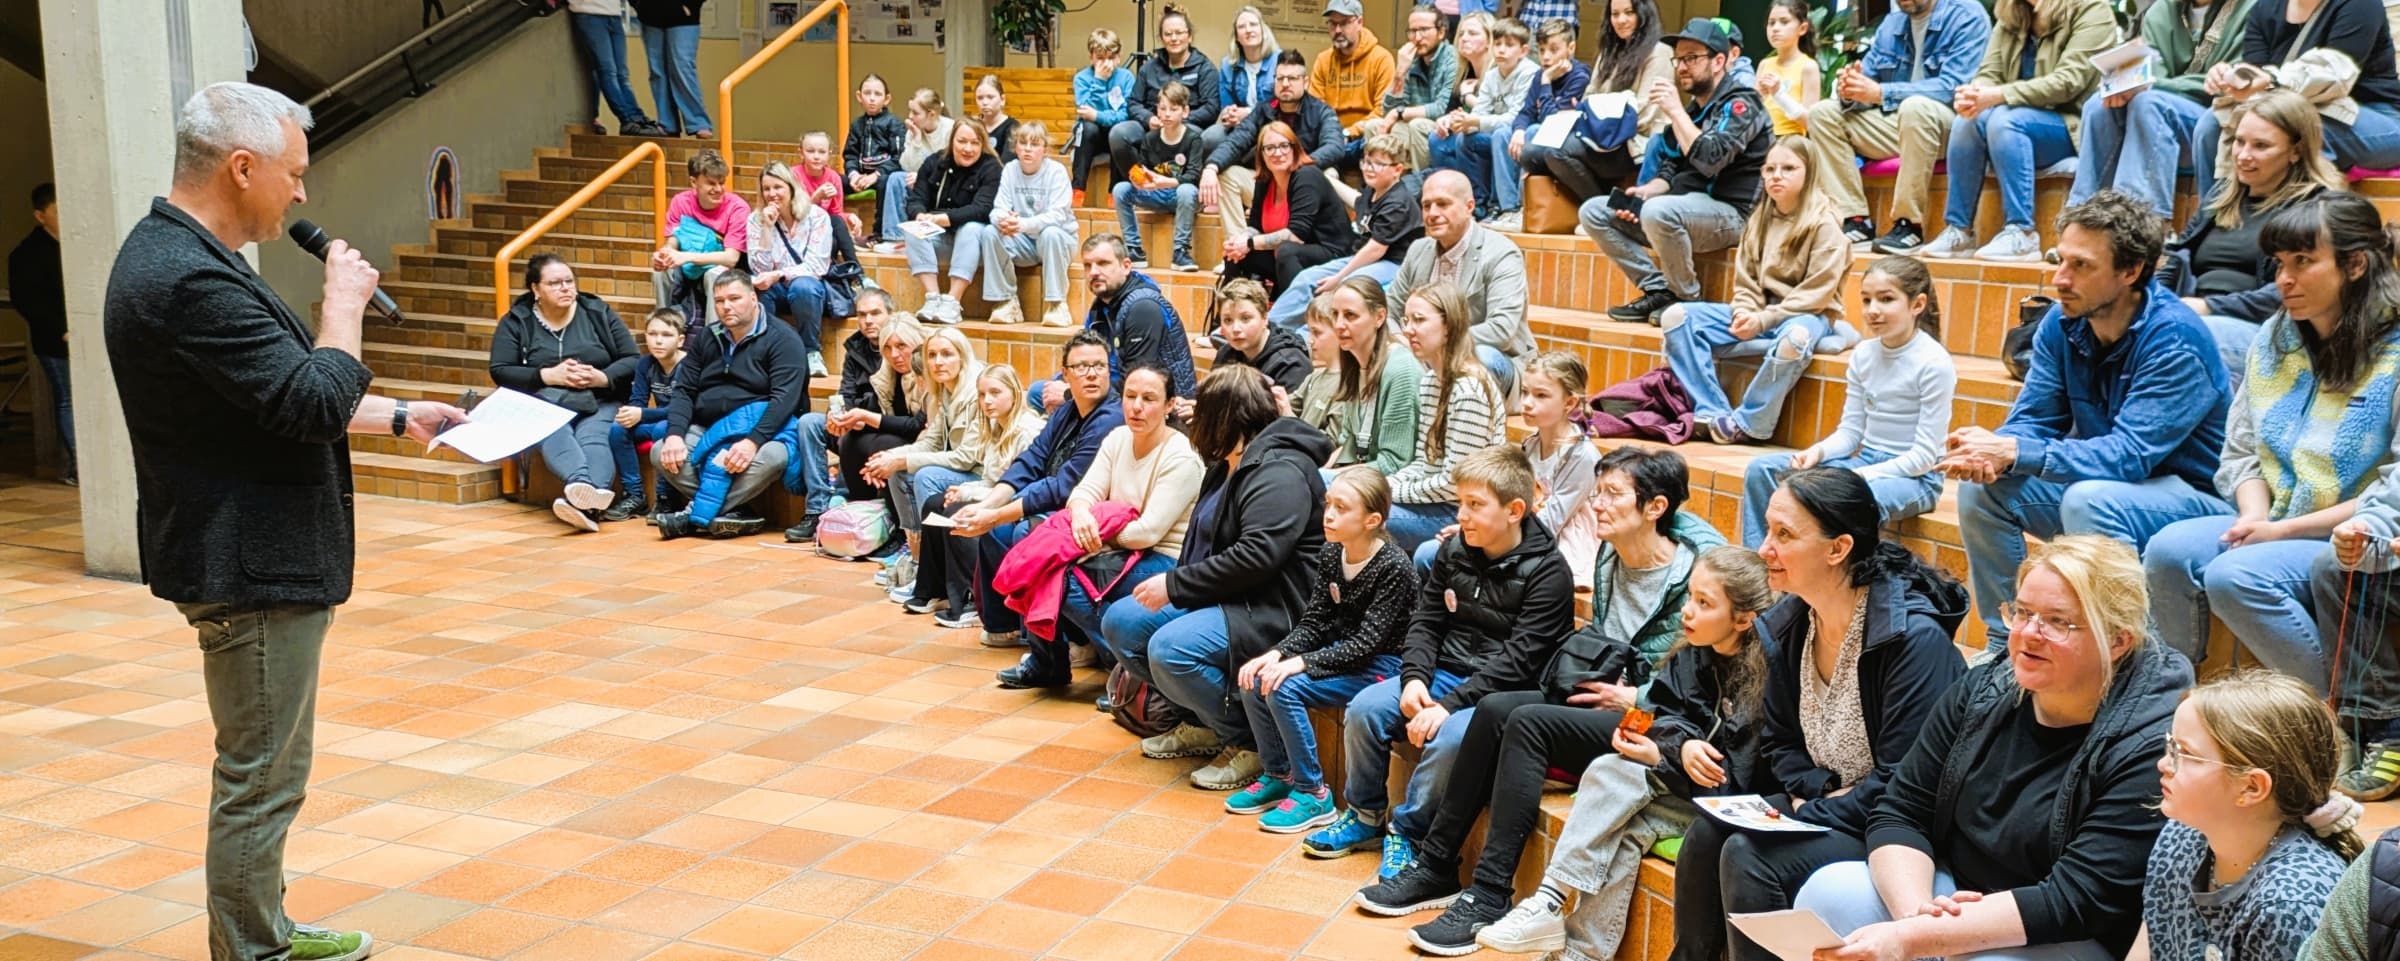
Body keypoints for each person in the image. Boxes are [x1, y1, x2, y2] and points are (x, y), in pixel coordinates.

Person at [104, 81, 470, 961]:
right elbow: (307, 398)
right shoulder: (186, 276)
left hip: (251, 554)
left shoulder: (187, 255)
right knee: (261, 780)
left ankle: (262, 928)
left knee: (268, 770)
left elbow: (268, 401)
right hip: (249, 564)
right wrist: (341, 306)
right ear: (241, 167)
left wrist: (396, 414)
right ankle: (251, 950)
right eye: (294, 174)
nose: (301, 194)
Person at [1365, 446, 1730, 949]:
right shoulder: (1610, 553)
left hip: (1651, 717)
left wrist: (1633, 694)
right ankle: (1436, 866)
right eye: (1597, 491)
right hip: (1592, 689)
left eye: (1612, 494)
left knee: (1527, 723)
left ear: (1656, 508)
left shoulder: (1690, 577)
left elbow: (1688, 674)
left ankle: (1490, 893)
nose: (1596, 504)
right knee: (1494, 709)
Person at [1790, 535, 2194, 961]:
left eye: (2058, 621)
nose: (2027, 635)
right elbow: (1902, 809)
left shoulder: (2150, 740)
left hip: (2060, 932)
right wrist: (1916, 918)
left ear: (2118, 641)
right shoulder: (1987, 685)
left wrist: (1918, 940)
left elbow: (2076, 898)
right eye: (2022, 612)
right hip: (1954, 898)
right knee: (1829, 892)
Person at [1671, 467, 1967, 961]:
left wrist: (1815, 809)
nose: (1764, 548)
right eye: (1768, 530)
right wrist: (1821, 793)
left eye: (1784, 535)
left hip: (1902, 830)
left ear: (1838, 548)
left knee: (1750, 857)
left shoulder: (1913, 641)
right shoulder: (1789, 625)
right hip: (1832, 807)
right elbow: (1780, 742)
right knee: (1706, 833)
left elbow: (1907, 781)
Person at [1945, 192, 2233, 651]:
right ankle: (2007, 650)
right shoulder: (2061, 324)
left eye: (2081, 266)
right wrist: (1994, 455)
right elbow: (2034, 419)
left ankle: (2116, 659)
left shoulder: (2175, 338)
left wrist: (2017, 452)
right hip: (2113, 488)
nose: (2060, 279)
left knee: (2090, 500)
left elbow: (2130, 456)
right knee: (1983, 489)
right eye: (2060, 260)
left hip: (2196, 498)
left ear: (2131, 271)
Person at [1471, 547, 1780, 959]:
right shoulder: (1694, 654)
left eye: (1704, 603)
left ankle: (1549, 898)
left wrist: (1663, 756)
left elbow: (1738, 773)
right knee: (1627, 830)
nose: (1688, 611)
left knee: (1611, 772)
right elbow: (1665, 715)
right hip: (1682, 790)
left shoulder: (1768, 679)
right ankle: (1582, 953)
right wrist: (1666, 745)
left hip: (1732, 805)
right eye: (1690, 596)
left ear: (1743, 619)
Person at [1301, 445, 1577, 885]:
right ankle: (1366, 815)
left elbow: (1520, 660)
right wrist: (1413, 679)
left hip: (1499, 693)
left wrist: (1447, 705)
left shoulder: (1549, 573)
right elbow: (1426, 623)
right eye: (1460, 503)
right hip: (1445, 671)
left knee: (1450, 739)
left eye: (1474, 505)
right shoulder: (1454, 551)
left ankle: (1409, 833)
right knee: (1366, 709)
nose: (1462, 515)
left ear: (1515, 510)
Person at [2145, 195, 2400, 668]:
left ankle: (2332, 714)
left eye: (2303, 262)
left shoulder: (2395, 349)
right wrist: (2255, 519)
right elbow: (2241, 451)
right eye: (2280, 263)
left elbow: (2395, 490)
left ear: (2356, 264)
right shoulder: (2275, 337)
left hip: (2349, 538)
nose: (2284, 278)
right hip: (2276, 517)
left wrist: (2282, 531)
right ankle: (2170, 694)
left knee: (2235, 576)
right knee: (2168, 551)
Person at [1103, 366, 1334, 790]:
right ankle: (1207, 722)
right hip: (1230, 595)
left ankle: (1248, 742)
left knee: (1170, 649)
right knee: (1122, 622)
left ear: (1225, 416)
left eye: (1202, 411)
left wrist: (1174, 586)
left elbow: (1257, 557)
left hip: (1273, 606)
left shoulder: (1279, 469)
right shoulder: (1227, 461)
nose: (1192, 419)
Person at [1233, 465, 1419, 832]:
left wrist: (1301, 664)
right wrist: (1277, 654)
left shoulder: (1394, 566)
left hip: (1385, 665)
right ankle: (1279, 774)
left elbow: (1367, 646)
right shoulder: (1333, 553)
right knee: (1258, 676)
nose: (1329, 515)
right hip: (1346, 653)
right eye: (1328, 504)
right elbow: (1315, 621)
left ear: (1372, 520)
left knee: (1285, 688)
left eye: (1342, 508)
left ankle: (1313, 794)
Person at [2137, 671, 2362, 961]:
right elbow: (2148, 947)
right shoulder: (2180, 835)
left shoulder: (2291, 904)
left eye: (2185, 753)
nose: (2163, 763)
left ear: (2251, 787)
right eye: (2171, 746)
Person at [1741, 255, 1954, 548]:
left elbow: (1923, 459)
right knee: (1761, 470)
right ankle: (1761, 565)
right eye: (1866, 300)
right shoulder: (1863, 354)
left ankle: (1835, 583)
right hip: (1864, 461)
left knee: (1849, 498)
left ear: (1917, 304)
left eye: (1886, 299)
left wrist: (1853, 476)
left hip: (1916, 479)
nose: (1873, 310)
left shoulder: (1934, 362)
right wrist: (1817, 453)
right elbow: (1851, 432)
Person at [1660, 136, 1857, 445]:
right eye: (1770, 169)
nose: (1776, 176)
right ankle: (1712, 412)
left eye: (1789, 168)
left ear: (1810, 173)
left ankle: (1749, 423)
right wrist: (1743, 312)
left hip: (1806, 314)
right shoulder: (1759, 219)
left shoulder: (1825, 223)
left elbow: (1816, 292)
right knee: (1676, 316)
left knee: (1796, 339)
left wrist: (1763, 321)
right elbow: (1746, 281)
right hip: (1761, 313)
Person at [1015, 364, 1202, 686]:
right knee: (1035, 551)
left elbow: (1147, 533)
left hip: (1162, 559)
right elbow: (1083, 493)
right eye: (1130, 396)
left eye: (1149, 398)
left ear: (1170, 405)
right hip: (1114, 545)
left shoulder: (1181, 457)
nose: (1137, 406)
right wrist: (1083, 516)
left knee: (1061, 577)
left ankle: (1126, 671)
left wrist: (1095, 540)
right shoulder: (1118, 438)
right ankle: (1049, 664)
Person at [1584, 18, 1775, 325]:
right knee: (1595, 210)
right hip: (1684, 209)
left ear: (1719, 62)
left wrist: (1673, 111)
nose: (1682, 67)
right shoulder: (1694, 110)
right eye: (1679, 59)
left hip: (1734, 215)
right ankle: (1658, 289)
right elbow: (1671, 168)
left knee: (1659, 212)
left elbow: (1712, 159)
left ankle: (1687, 300)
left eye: (1692, 58)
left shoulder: (1742, 103)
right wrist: (1646, 191)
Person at [961, 331, 1125, 658]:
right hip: (1057, 506)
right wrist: (991, 502)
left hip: (1092, 512)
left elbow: (1065, 485)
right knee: (994, 530)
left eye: (1099, 366)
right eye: (1081, 367)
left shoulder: (1111, 416)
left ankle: (1067, 640)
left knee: (1026, 531)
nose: (1091, 374)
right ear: (1065, 374)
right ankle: (1006, 626)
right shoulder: (1067, 410)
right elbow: (1033, 459)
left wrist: (1000, 511)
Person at [2162, 89, 2344, 379]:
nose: (2244, 155)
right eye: (2239, 142)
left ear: (2296, 151)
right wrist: (2150, 301)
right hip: (2195, 315)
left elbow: (2292, 291)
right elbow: (2176, 259)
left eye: (2261, 146)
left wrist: (2208, 306)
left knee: (2179, 339)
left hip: (2271, 332)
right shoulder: (2221, 196)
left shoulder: (2317, 208)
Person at [1916, 0, 2114, 263]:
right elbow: (1990, 72)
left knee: (2004, 120)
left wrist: (1998, 95)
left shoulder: (2092, 9)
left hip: (2070, 124)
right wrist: (1974, 95)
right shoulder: (2010, 11)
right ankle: (1959, 231)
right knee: (1967, 121)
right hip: (2012, 117)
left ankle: (2021, 233)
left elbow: (2068, 82)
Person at [1804, 0, 1991, 254]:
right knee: (1822, 114)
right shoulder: (1891, 23)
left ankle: (1908, 225)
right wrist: (1851, 89)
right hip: (1901, 123)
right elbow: (1868, 81)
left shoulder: (1966, 14)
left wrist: (1881, 92)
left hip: (1954, 126)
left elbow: (1955, 87)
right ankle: (1855, 221)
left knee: (1915, 107)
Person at [2189, 0, 2400, 207]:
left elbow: (2332, 76)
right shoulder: (2263, 8)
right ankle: (2213, 223)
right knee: (2212, 123)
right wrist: (2233, 78)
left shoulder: (2360, 5)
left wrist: (2270, 81)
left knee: (2305, 130)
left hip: (2379, 117)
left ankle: (2285, 231)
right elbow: (2257, 80)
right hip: (2290, 110)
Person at [652, 270, 809, 540]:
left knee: (774, 457)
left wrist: (752, 441)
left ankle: (693, 516)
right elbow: (685, 390)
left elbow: (785, 399)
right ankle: (734, 511)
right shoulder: (707, 336)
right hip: (707, 427)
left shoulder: (784, 339)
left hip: (762, 429)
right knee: (660, 451)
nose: (726, 307)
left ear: (752, 297)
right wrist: (675, 434)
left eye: (734, 298)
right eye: (720, 300)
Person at [490, 253, 641, 532]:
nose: (566, 288)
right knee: (552, 430)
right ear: (536, 289)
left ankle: (582, 500)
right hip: (544, 402)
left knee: (595, 435)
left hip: (599, 398)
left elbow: (632, 358)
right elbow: (500, 369)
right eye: (555, 283)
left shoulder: (596, 312)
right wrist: (547, 375)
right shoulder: (517, 320)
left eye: (569, 281)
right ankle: (585, 491)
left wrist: (602, 377)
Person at [2067, 0, 2254, 219]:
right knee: (2098, 103)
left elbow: (2238, 82)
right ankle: (2083, 217)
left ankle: (2140, 224)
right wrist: (2123, 85)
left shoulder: (2251, 7)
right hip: (2158, 113)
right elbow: (2153, 74)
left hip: (2217, 116)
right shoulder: (2162, 9)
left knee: (2148, 103)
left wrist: (2151, 85)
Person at [905, 362, 1046, 627]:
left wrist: (972, 494)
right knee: (935, 505)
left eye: (995, 393)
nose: (987, 401)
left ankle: (971, 597)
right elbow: (993, 479)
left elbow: (1019, 486)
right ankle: (935, 591)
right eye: (982, 394)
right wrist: (966, 490)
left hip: (1019, 503)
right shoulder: (995, 426)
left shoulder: (1026, 431)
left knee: (955, 512)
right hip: (997, 493)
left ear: (1014, 394)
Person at [1511, 0, 1673, 214]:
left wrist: (1600, 113)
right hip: (1596, 134)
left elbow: (1645, 113)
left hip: (1633, 142)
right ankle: (1540, 210)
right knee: (1529, 152)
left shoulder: (1660, 52)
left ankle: (1601, 209)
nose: (1621, 20)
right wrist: (1607, 110)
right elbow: (1588, 98)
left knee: (1555, 151)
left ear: (1643, 15)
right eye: (1615, 14)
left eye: (1628, 13)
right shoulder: (1609, 52)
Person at [1384, 283, 1508, 556]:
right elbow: (1423, 463)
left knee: (1356, 514)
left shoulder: (1469, 390)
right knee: (1342, 496)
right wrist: (1387, 484)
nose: (1408, 329)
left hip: (1461, 511)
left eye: (1419, 320)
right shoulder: (1430, 381)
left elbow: (1456, 485)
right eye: (1406, 320)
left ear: (1448, 327)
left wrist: (1388, 492)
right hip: (1434, 500)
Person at [1390, 169, 1531, 395]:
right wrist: (1401, 341)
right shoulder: (1418, 249)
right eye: (1426, 206)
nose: (1432, 213)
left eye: (1443, 204)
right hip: (1424, 355)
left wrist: (1437, 343)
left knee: (1480, 359)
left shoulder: (1501, 253)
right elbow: (1389, 310)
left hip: (1494, 359)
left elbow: (1501, 330)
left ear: (1469, 206)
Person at [1267, 131, 1422, 332]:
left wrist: (1338, 277)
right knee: (1307, 278)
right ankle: (1267, 328)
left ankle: (1304, 338)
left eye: (1378, 164)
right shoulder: (1374, 191)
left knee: (1343, 289)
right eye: (1366, 162)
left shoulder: (1398, 203)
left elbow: (1375, 250)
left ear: (1398, 169)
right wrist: (1327, 179)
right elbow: (1357, 201)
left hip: (1394, 263)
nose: (1369, 168)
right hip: (1368, 258)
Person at [1200, 50, 1349, 236]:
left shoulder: (1321, 111)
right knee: (1227, 175)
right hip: (1272, 186)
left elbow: (1335, 147)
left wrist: (1298, 166)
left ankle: (1317, 240)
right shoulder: (1263, 110)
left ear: (1306, 82)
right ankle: (1237, 249)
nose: (1285, 84)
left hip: (1306, 184)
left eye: (1292, 78)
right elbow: (1236, 141)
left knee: (1330, 173)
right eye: (1280, 78)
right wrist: (1211, 167)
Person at [786, 288, 889, 542]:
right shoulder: (855, 347)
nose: (868, 320)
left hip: (884, 428)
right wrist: (837, 416)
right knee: (810, 422)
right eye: (862, 314)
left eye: (876, 313)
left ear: (891, 315)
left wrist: (859, 417)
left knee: (850, 436)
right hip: (855, 422)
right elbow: (845, 393)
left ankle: (848, 502)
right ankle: (817, 510)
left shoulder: (900, 348)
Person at [1220, 121, 1359, 300]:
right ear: (1261, 154)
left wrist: (1249, 243)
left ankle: (1289, 320)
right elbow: (1255, 225)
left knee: (1287, 250)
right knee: (1235, 254)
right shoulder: (1265, 179)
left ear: (1295, 149)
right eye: (1269, 148)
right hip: (1290, 256)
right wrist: (1240, 240)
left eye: (1284, 146)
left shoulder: (1306, 176)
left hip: (1332, 254)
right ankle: (1230, 315)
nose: (1277, 153)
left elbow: (1296, 235)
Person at [1429, 16, 1535, 221]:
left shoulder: (1529, 73)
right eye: (1498, 44)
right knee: (1463, 139)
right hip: (1495, 131)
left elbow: (1515, 119)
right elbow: (1479, 112)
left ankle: (1506, 207)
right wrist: (1457, 122)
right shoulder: (1493, 75)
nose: (1501, 50)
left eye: (1509, 45)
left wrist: (1474, 122)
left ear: (1523, 51)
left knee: (1500, 135)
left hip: (1519, 136)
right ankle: (1477, 204)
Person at [1076, 234, 1200, 402]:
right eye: (1087, 266)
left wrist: (1072, 393)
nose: (1093, 272)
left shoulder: (1143, 308)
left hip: (1155, 407)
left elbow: (1135, 382)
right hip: (1112, 392)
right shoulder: (1101, 305)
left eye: (1103, 263)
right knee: (1039, 391)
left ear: (1126, 266)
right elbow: (1080, 357)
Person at [1515, 352, 1603, 587]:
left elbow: (1552, 521)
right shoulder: (1530, 444)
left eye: (1541, 395)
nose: (1527, 403)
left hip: (1565, 540)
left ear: (1569, 403)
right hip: (1530, 529)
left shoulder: (1581, 455)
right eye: (1525, 392)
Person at [903, 117, 1001, 325]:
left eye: (975, 143)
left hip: (973, 244)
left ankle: (953, 302)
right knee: (912, 229)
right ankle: (933, 298)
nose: (968, 148)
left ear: (983, 144)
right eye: (962, 141)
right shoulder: (934, 162)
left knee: (972, 228)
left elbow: (982, 209)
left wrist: (943, 219)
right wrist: (920, 215)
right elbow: (915, 200)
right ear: (951, 141)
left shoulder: (991, 168)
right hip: (939, 237)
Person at [1111, 4, 1221, 185]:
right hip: (1153, 127)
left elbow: (1212, 108)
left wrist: (1178, 120)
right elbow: (1133, 103)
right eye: (1168, 34)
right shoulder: (1148, 68)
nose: (1174, 38)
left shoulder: (1205, 68)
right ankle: (1142, 184)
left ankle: (1183, 187)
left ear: (1189, 36)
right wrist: (1149, 119)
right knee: (1119, 133)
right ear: (1161, 38)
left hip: (1188, 127)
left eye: (1179, 33)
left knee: (1204, 138)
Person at [1323, 277, 1423, 473]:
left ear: (1379, 317)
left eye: (1350, 315)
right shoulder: (1353, 364)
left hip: (1395, 485)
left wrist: (1331, 478)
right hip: (1365, 477)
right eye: (1335, 314)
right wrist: (1322, 472)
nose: (1339, 324)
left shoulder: (1400, 370)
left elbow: (1395, 463)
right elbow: (1349, 444)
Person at [747, 161, 836, 379]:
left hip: (809, 288)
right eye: (766, 189)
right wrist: (767, 228)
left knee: (803, 286)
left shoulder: (816, 216)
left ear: (791, 187)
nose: (772, 194)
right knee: (758, 289)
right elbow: (759, 268)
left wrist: (780, 274)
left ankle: (811, 352)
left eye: (778, 187)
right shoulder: (755, 219)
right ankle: (764, 353)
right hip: (775, 288)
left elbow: (817, 265)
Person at [833, 313, 926, 524]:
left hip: (928, 442)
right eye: (888, 348)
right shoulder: (886, 374)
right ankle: (862, 514)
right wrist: (852, 421)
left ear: (918, 344)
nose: (895, 355)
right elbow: (876, 411)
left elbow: (917, 425)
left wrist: (867, 417)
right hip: (903, 436)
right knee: (850, 440)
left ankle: (900, 526)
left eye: (902, 346)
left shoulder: (928, 374)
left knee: (885, 446)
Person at [983, 121, 1077, 328]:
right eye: (1022, 143)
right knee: (990, 232)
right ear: (1015, 147)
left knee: (1050, 233)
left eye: (1034, 144)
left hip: (1059, 241)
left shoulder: (1056, 171)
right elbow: (998, 208)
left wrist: (1022, 224)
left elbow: (1058, 216)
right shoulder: (1009, 169)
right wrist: (1002, 220)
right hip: (1024, 242)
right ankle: (1007, 302)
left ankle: (1056, 304)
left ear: (1045, 149)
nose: (1027, 149)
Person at [1499, 19, 1597, 215]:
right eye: (1542, 50)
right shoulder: (1541, 74)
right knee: (1504, 133)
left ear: (1571, 48)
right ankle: (1506, 208)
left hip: (1569, 139)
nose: (1546, 57)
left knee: (1533, 131)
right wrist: (1518, 130)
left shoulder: (1580, 76)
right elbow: (1526, 111)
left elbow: (1552, 120)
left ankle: (1523, 208)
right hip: (1542, 136)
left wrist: (1545, 83)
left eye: (1553, 50)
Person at [9, 182, 68, 485]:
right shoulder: (27, 254)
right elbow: (28, 301)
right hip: (54, 340)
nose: (65, 215)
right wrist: (61, 331)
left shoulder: (74, 244)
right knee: (67, 399)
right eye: (57, 210)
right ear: (40, 216)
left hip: (81, 336)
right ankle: (75, 465)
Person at [1114, 81, 1206, 272]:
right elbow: (1145, 169)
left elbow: (1194, 176)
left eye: (1173, 109)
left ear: (1185, 111)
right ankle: (1134, 249)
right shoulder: (1150, 138)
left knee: (1187, 190)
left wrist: (1167, 182)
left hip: (1182, 196)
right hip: (1156, 194)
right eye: (1162, 108)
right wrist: (1141, 180)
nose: (1167, 114)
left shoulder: (1193, 138)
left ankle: (1180, 252)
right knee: (1120, 189)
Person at [649, 149, 750, 319]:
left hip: (723, 269)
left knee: (714, 274)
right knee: (661, 272)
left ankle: (713, 337)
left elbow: (731, 258)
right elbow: (673, 240)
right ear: (694, 182)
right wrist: (664, 255)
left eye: (721, 183)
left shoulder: (738, 208)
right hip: (689, 268)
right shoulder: (680, 202)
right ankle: (664, 324)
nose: (718, 189)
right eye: (711, 183)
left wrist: (687, 257)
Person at [608, 307, 688, 520]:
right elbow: (638, 402)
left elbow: (683, 410)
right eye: (652, 334)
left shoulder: (689, 365)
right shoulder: (645, 363)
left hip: (684, 423)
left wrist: (642, 414)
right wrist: (630, 413)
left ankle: (666, 497)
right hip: (658, 419)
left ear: (680, 340)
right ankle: (635, 496)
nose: (658, 341)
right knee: (618, 428)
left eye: (666, 335)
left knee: (663, 429)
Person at [1360, 6, 1461, 147]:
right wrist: (1400, 72)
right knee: (1373, 126)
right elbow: (1388, 111)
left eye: (1424, 30)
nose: (1417, 38)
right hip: (1417, 125)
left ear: (1441, 32)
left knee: (1417, 125)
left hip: (1446, 128)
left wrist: (1398, 113)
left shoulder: (1453, 58)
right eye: (1413, 31)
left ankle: (1421, 170)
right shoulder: (1411, 59)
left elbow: (1441, 108)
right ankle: (1381, 168)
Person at [1314, 0, 1401, 163]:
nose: (1338, 30)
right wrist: (1332, 134)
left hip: (1363, 137)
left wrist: (1349, 132)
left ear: (1360, 22)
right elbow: (1315, 107)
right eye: (1332, 24)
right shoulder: (1323, 60)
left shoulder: (1381, 59)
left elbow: (1382, 110)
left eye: (1345, 23)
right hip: (1331, 136)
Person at [875, 88, 957, 254]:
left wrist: (922, 177)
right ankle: (895, 238)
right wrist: (917, 140)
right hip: (922, 181)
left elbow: (951, 165)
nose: (910, 117)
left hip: (946, 183)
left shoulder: (950, 130)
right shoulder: (913, 130)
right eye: (910, 111)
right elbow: (906, 166)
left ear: (931, 114)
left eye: (915, 112)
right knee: (896, 178)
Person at [567, 0, 666, 136]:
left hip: (614, 14)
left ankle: (636, 118)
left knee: (622, 74)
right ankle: (626, 119)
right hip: (589, 14)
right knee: (608, 71)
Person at [1206, 278, 1311, 395]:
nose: (1235, 329)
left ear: (1265, 318)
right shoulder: (1226, 354)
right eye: (1228, 320)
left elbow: (1290, 413)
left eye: (1245, 318)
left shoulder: (1291, 364)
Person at [1212, 5, 1285, 161]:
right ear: (1237, 37)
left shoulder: (1281, 60)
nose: (1248, 30)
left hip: (1273, 122)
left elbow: (1284, 104)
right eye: (1242, 26)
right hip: (1239, 126)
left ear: (1263, 30)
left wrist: (1250, 113)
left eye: (1253, 24)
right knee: (1209, 139)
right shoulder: (1228, 64)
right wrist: (1230, 114)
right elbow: (1226, 105)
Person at [843, 74, 909, 243]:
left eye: (877, 94)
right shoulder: (857, 125)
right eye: (867, 93)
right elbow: (850, 154)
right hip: (860, 175)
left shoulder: (894, 124)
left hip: (882, 175)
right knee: (834, 181)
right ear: (859, 96)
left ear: (886, 99)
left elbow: (898, 157)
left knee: (885, 183)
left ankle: (878, 232)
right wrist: (853, 175)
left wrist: (875, 175)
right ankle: (837, 230)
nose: (872, 98)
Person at [1072, 29, 1138, 195]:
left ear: (1119, 57)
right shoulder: (1082, 78)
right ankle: (1078, 188)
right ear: (1091, 57)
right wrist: (1099, 81)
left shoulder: (1126, 77)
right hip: (1091, 138)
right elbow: (1084, 110)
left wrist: (1098, 115)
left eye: (1111, 58)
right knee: (1086, 128)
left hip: (1114, 135)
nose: (1106, 64)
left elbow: (1126, 113)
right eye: (1100, 58)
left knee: (1119, 131)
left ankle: (1113, 192)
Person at [632, 0, 710, 138]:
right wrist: (639, 5)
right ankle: (667, 124)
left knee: (682, 68)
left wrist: (692, 4)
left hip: (684, 18)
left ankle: (698, 123)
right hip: (649, 17)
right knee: (657, 72)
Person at [1756, 0, 1820, 136]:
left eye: (1784, 22)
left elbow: (1811, 123)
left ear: (1802, 29)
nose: (1775, 28)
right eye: (1771, 23)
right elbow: (1750, 112)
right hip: (1760, 139)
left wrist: (1779, 94)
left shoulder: (1808, 67)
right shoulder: (1764, 64)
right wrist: (1757, 96)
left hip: (1791, 141)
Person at [972, 73, 1018, 155]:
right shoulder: (971, 125)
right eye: (980, 98)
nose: (985, 102)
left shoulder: (1012, 127)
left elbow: (1007, 162)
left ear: (1002, 99)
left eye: (990, 97)